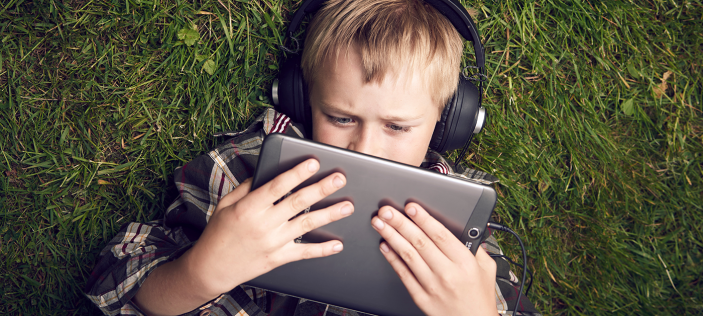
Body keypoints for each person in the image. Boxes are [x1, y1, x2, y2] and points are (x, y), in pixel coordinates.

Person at [85, 0, 541, 315]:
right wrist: (201, 274)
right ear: (301, 101)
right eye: (341, 118)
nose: (365, 149)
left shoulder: (464, 233)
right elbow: (112, 287)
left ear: (448, 123)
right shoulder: (246, 171)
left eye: (398, 127)